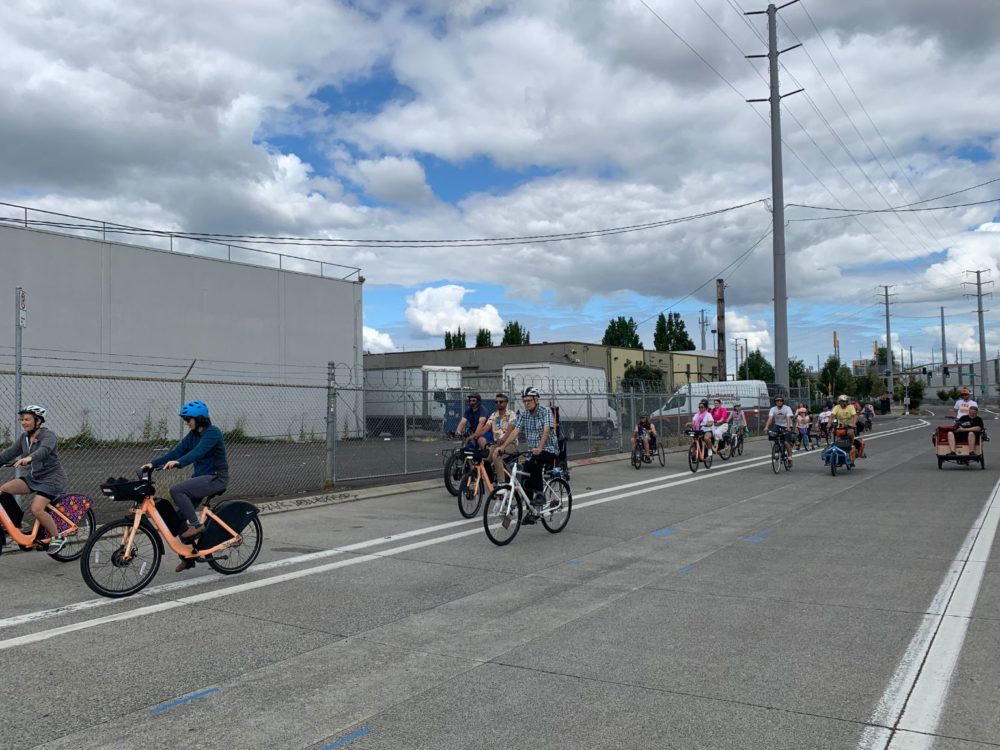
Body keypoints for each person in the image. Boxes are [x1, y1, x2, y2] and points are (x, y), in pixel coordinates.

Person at [143, 400, 228, 572]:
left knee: (176, 490)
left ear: (200, 419)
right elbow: (176, 452)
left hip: (216, 478)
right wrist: (152, 464)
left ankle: (197, 526)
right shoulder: (193, 435)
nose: (187, 423)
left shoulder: (213, 433)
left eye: (189, 420)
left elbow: (198, 452)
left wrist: (179, 463)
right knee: (178, 519)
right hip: (201, 478)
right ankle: (188, 558)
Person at [0, 406, 69, 553]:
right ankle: (17, 525)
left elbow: (44, 450)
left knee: (37, 509)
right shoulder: (24, 438)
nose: (24, 422)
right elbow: (10, 453)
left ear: (38, 421)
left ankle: (57, 538)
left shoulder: (48, 435)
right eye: (22, 420)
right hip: (34, 478)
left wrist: (30, 458)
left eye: (27, 419)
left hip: (52, 480)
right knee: (4, 490)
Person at [494, 387, 560, 511]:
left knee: (535, 463)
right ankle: (531, 512)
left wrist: (540, 447)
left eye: (529, 400)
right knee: (525, 478)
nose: (526, 403)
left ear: (536, 400)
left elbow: (547, 429)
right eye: (524, 401)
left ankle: (540, 494)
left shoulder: (545, 411)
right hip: (533, 452)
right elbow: (515, 431)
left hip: (549, 449)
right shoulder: (524, 415)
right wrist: (502, 447)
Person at [486, 393, 518, 481]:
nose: (498, 404)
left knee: (496, 456)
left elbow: (511, 429)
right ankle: (489, 479)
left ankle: (501, 484)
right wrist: (475, 435)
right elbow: (486, 427)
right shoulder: (493, 415)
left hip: (510, 444)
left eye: (501, 402)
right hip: (497, 444)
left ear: (506, 403)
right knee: (485, 457)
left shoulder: (511, 414)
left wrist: (503, 439)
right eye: (496, 402)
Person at [831, 394, 859, 465]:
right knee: (837, 437)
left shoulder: (851, 407)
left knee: (850, 433)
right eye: (843, 401)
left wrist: (853, 424)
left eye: (846, 401)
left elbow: (855, 416)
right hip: (840, 426)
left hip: (850, 425)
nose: (844, 403)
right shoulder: (836, 407)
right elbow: (832, 416)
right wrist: (828, 424)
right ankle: (838, 456)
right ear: (839, 402)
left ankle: (852, 443)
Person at [763, 395, 794, 459]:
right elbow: (770, 418)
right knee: (772, 435)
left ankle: (790, 456)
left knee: (786, 442)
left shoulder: (787, 408)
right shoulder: (773, 409)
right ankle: (777, 447)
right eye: (777, 401)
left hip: (787, 426)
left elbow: (788, 418)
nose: (779, 402)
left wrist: (788, 427)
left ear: (783, 401)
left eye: (780, 400)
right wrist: (766, 427)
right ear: (775, 402)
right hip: (777, 425)